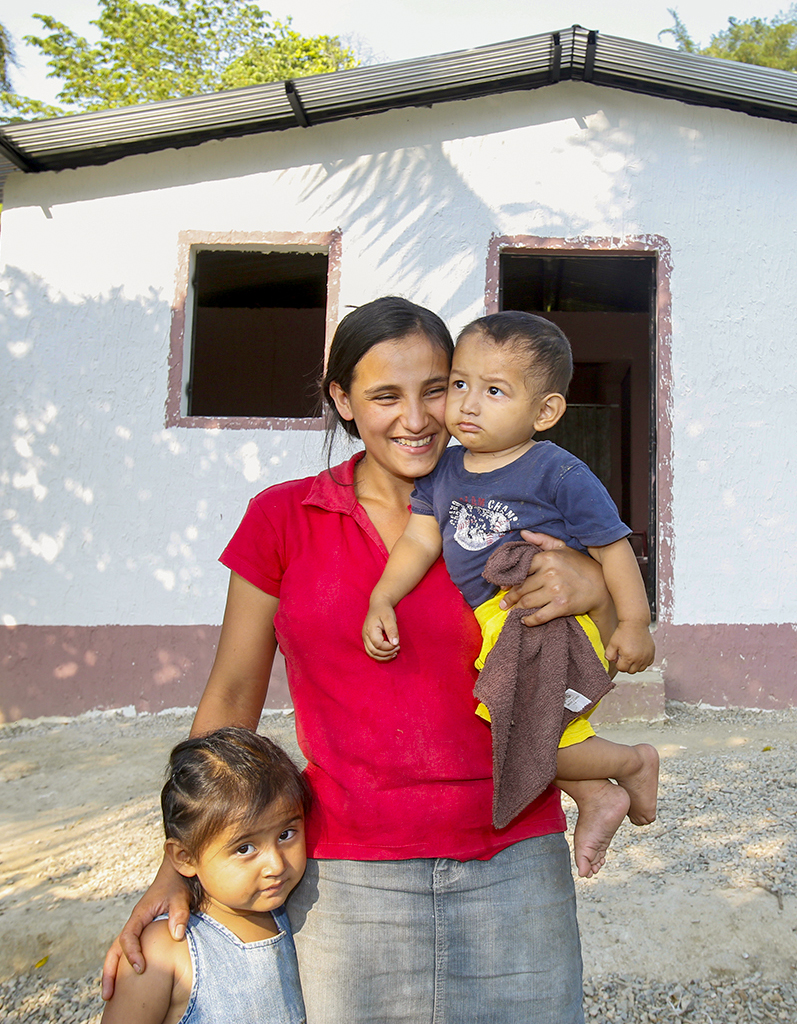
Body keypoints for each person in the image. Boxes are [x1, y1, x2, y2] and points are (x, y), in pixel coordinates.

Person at [103, 296, 620, 1024]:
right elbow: (232, 695)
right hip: (348, 876)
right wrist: (175, 867)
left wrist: (591, 584)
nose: (417, 418)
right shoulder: (282, 520)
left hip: (515, 854)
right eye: (384, 396)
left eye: (437, 389)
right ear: (342, 400)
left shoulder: (524, 506)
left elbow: (602, 645)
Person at [363, 311, 660, 861]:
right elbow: (419, 543)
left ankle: (632, 763)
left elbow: (612, 548)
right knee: (531, 731)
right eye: (459, 385)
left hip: (554, 625)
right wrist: (383, 595)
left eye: (494, 391)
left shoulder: (558, 473)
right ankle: (597, 796)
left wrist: (636, 624)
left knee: (532, 738)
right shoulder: (444, 472)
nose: (468, 404)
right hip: (501, 629)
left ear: (544, 411)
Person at [101, 727, 309, 1024]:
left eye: (286, 834)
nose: (275, 865)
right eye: (245, 848)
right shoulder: (165, 950)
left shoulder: (297, 913)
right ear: (185, 858)